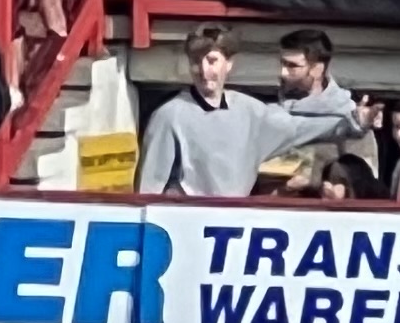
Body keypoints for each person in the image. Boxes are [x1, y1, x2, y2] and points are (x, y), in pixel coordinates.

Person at [135, 29, 356, 198]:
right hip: (185, 227)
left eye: (212, 61)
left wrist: (354, 122)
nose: (204, 71)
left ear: (228, 64)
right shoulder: (168, 115)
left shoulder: (249, 110)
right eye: (195, 62)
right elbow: (148, 189)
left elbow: (298, 127)